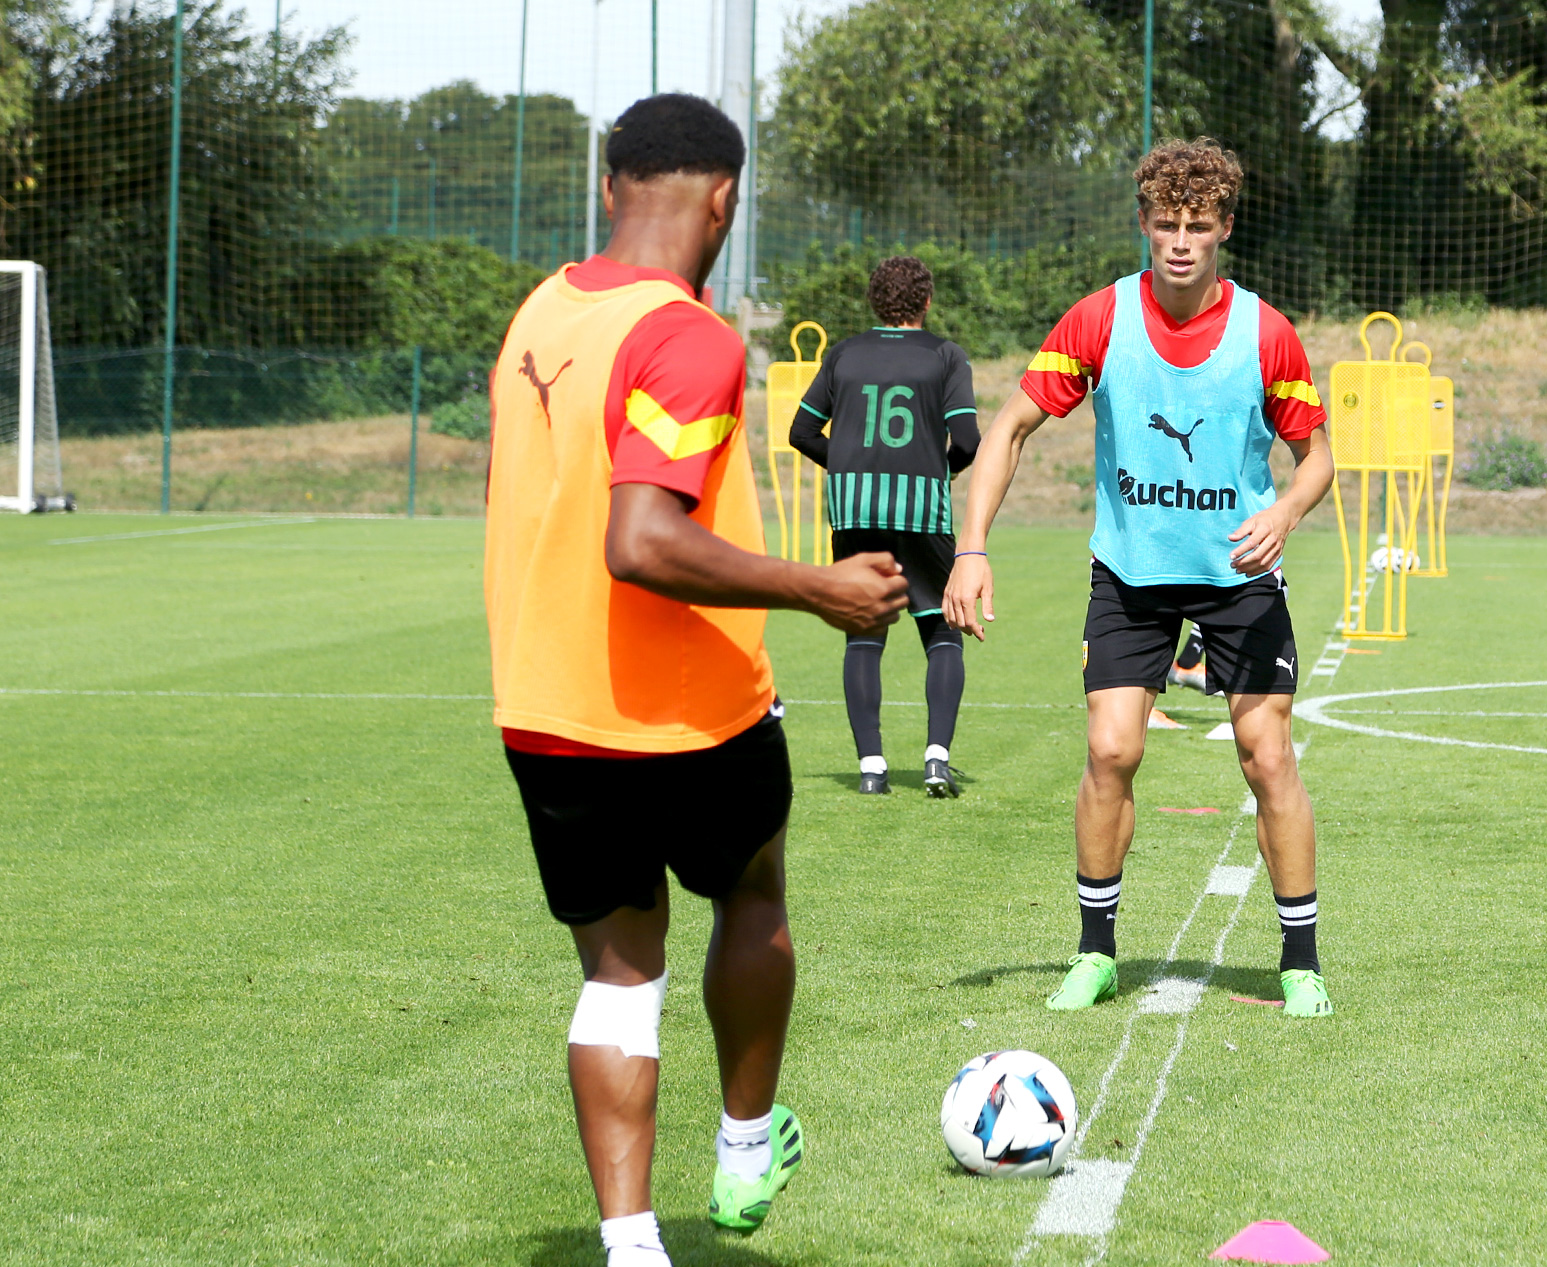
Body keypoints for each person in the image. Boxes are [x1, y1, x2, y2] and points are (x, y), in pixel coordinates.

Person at [484, 94, 907, 1267]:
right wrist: (813, 586)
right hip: (688, 708)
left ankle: (630, 1248)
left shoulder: (541, 313)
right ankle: (741, 1138)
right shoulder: (689, 334)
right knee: (753, 890)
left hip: (547, 704)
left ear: (608, 185)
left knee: (619, 978)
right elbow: (642, 540)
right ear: (725, 198)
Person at [943, 138, 1337, 1019]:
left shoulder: (1265, 331)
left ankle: (1300, 959)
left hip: (1236, 573)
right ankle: (1094, 953)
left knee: (1267, 756)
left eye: (1200, 225)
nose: (1182, 240)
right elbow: (1007, 428)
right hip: (1130, 572)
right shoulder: (1099, 320)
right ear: (1144, 224)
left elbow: (1316, 460)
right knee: (1112, 749)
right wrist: (971, 545)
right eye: (1167, 223)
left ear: (1225, 229)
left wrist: (1282, 514)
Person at [790, 256, 981, 797]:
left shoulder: (845, 353)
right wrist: (934, 470)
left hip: (852, 511)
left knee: (863, 636)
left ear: (876, 303)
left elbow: (802, 431)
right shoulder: (946, 355)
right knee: (942, 634)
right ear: (926, 302)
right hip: (920, 510)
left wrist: (850, 462)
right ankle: (936, 761)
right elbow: (967, 440)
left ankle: (871, 768)